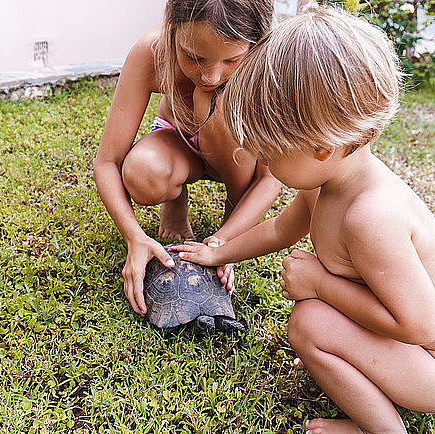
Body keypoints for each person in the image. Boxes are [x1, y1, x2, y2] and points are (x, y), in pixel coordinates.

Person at [171, 7, 435, 433]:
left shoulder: (371, 218)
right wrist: (216, 250)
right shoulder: (324, 184)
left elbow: (420, 324)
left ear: (320, 149)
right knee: (316, 321)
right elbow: (281, 228)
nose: (264, 165)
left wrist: (320, 285)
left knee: (310, 322)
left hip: (428, 361)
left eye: (270, 154)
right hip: (412, 352)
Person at [93, 0, 282, 316]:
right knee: (142, 172)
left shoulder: (268, 65)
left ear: (256, 43)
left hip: (237, 156)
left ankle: (232, 217)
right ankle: (175, 202)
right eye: (193, 58)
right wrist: (135, 237)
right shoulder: (152, 52)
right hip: (179, 142)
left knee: (215, 104)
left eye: (232, 60)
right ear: (172, 30)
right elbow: (107, 162)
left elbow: (269, 178)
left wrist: (227, 243)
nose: (210, 75)